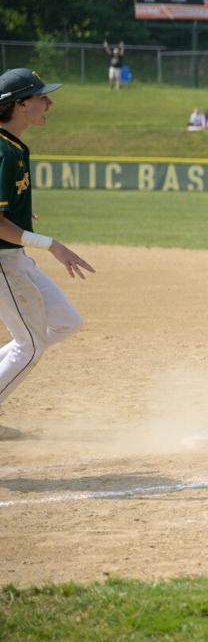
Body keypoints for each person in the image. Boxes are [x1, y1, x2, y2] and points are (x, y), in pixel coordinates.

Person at [0, 68, 95, 439]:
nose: (49, 103)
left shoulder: (13, 145)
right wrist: (50, 243)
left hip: (14, 257)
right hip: (4, 261)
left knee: (66, 321)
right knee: (31, 345)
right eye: (41, 97)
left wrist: (21, 218)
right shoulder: (3, 150)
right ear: (20, 105)